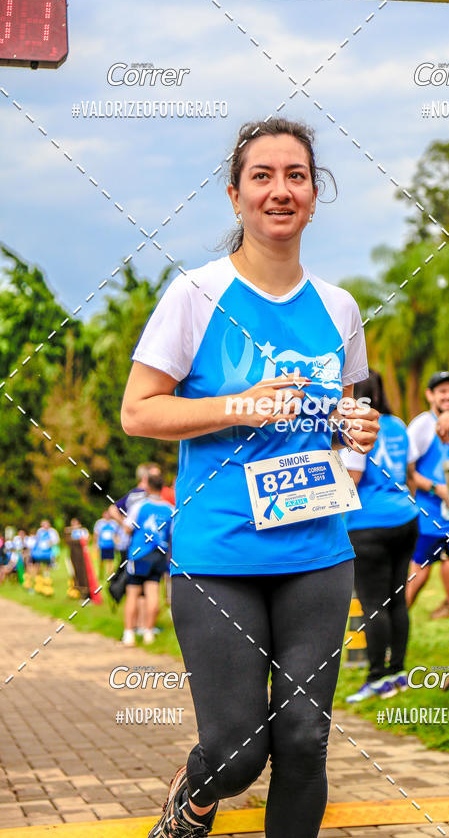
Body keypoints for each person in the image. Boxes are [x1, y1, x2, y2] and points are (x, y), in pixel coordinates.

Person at [121, 118, 378, 838]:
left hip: (318, 552)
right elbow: (138, 412)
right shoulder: (195, 295)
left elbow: (350, 416)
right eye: (261, 176)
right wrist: (238, 405)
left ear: (314, 194)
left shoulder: (340, 307)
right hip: (219, 553)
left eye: (295, 175)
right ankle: (194, 799)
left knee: (303, 739)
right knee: (238, 751)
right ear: (235, 196)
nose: (279, 190)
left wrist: (355, 434)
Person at [340, 370, 418, 702]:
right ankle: (398, 672)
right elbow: (410, 473)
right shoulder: (398, 425)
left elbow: (352, 478)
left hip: (368, 522)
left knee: (374, 603)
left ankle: (376, 677)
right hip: (406, 517)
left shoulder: (357, 425)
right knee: (397, 599)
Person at [406, 372, 449, 658]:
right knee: (417, 578)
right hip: (430, 518)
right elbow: (408, 472)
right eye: (442, 391)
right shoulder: (422, 426)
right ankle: (391, 634)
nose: (448, 396)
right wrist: (437, 488)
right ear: (430, 395)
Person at [122, 471, 174, 647]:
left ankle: (129, 633)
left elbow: (128, 529)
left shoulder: (140, 506)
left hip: (139, 554)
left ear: (149, 486)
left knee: (133, 593)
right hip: (159, 555)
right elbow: (172, 535)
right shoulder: (170, 509)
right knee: (153, 593)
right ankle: (148, 632)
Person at [93, 509, 119, 579]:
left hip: (110, 545)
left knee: (110, 560)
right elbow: (96, 534)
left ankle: (110, 574)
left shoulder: (114, 523)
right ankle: (101, 574)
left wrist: (117, 543)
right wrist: (95, 544)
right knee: (101, 561)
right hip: (102, 545)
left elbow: (116, 534)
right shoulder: (99, 523)